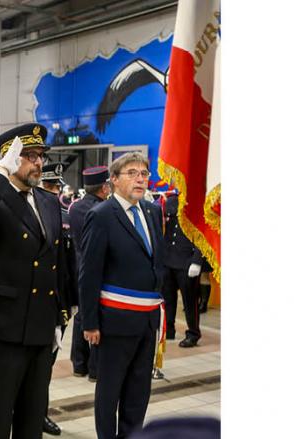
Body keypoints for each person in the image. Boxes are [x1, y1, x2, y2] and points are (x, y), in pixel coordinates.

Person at [0, 123, 68, 439]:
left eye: (40, 156)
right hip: (4, 324)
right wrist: (1, 172)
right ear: (9, 158)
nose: (37, 162)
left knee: (33, 411)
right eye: (29, 156)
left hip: (40, 322)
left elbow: (54, 262)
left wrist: (58, 317)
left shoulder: (48, 201)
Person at [78, 152, 166, 439]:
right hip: (113, 322)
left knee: (139, 392)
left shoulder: (152, 212)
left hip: (147, 320)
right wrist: (90, 322)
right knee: (109, 392)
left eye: (144, 173)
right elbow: (89, 272)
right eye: (132, 173)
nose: (140, 179)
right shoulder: (102, 215)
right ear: (113, 180)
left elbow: (155, 261)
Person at [37, 162, 76, 436]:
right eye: (48, 186)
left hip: (57, 303)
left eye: (56, 187)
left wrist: (72, 302)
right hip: (32, 303)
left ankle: (40, 413)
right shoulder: (26, 214)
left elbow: (69, 263)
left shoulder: (64, 216)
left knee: (46, 366)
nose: (53, 192)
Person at [67, 166, 111, 383]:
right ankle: (95, 369)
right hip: (98, 269)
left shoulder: (75, 207)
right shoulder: (103, 210)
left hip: (79, 265)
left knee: (81, 315)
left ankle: (79, 364)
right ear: (104, 188)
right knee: (96, 317)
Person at [160, 191, 203, 347]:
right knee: (167, 298)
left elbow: (202, 235)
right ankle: (169, 329)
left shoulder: (198, 203)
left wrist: (197, 260)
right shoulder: (170, 201)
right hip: (168, 259)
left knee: (190, 301)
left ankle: (193, 333)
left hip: (187, 260)